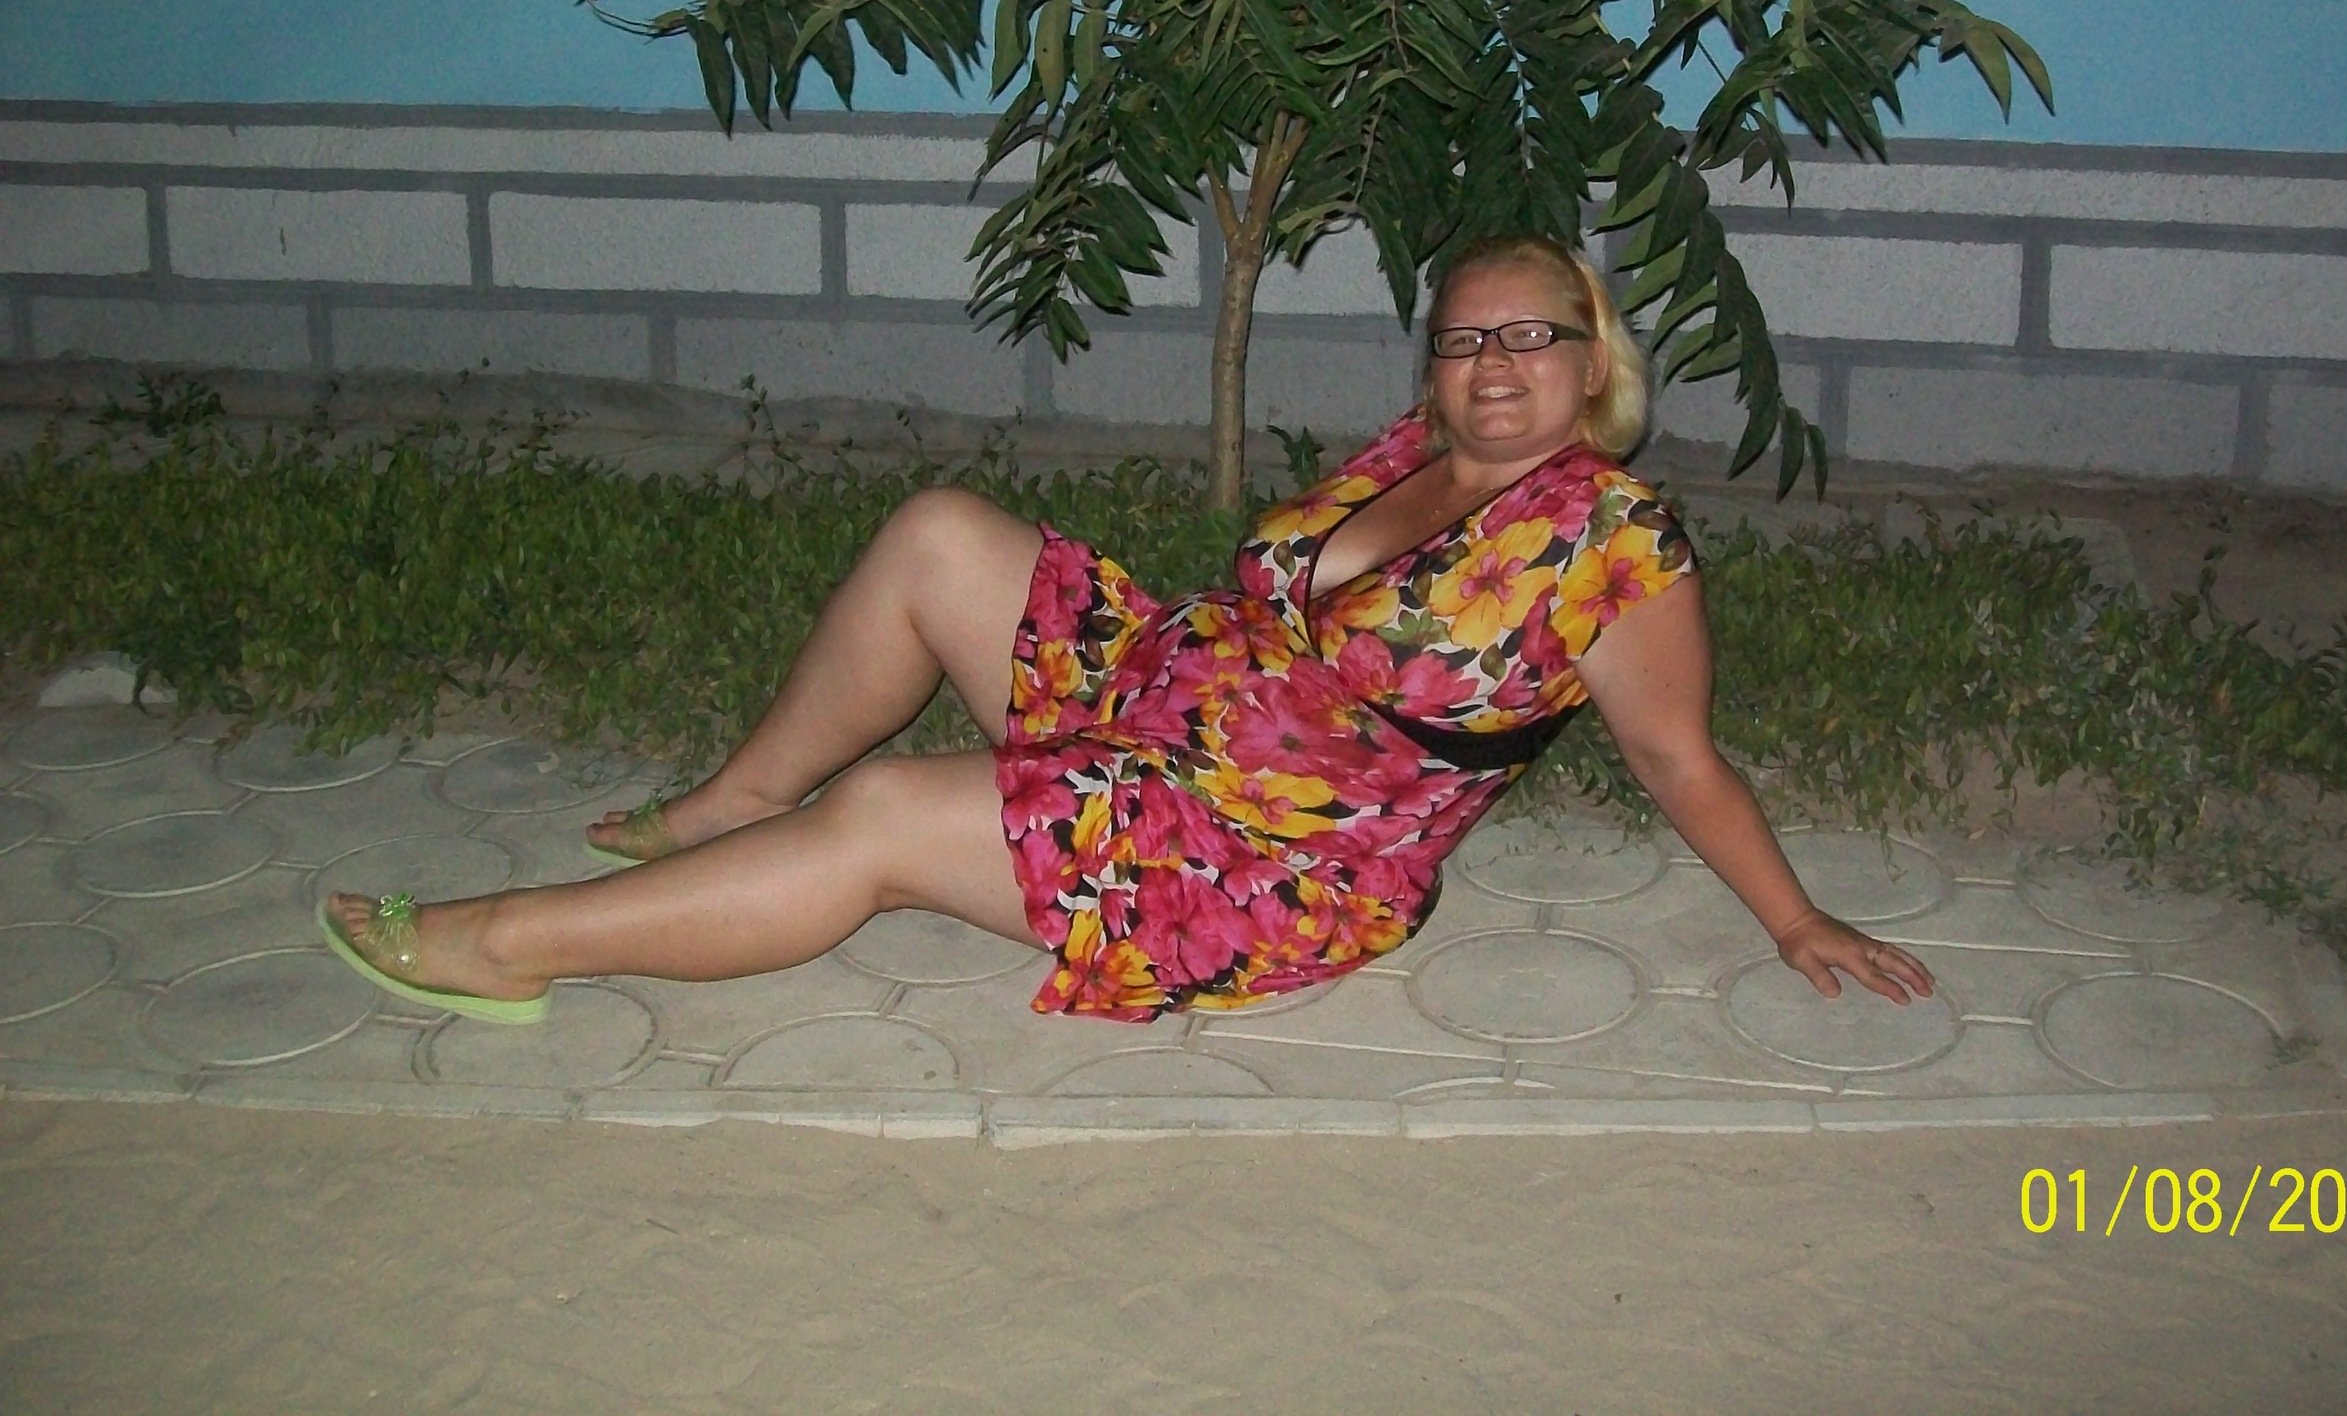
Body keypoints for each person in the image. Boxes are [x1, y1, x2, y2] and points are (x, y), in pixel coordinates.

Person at [319, 236, 1934, 1024]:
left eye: (1529, 338)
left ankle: (509, 946)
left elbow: (1676, 755)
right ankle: (735, 803)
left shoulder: (1612, 543)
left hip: (1260, 852)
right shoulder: (1416, 454)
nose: (1491, 366)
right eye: (1462, 341)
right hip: (1156, 693)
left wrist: (1796, 921)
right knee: (940, 531)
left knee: (881, 815)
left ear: (1592, 361)